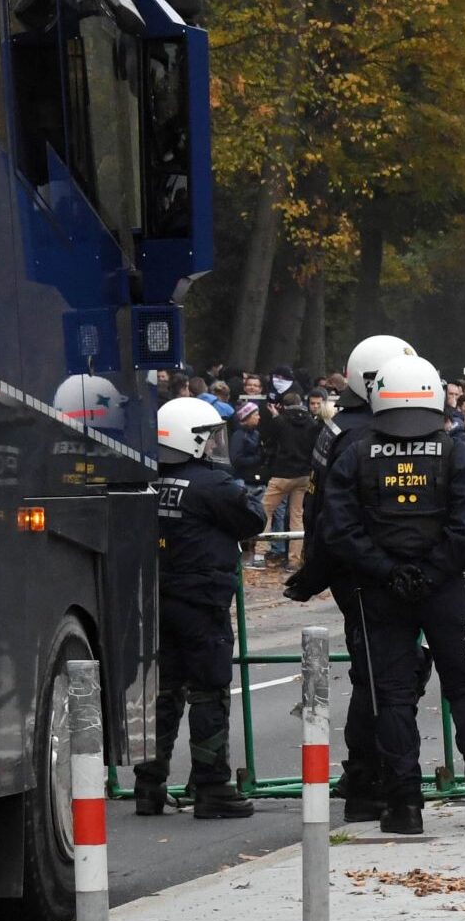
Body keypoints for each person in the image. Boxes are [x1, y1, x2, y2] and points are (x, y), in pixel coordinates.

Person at [322, 352, 465, 835]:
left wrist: (387, 570)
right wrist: (432, 571)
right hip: (445, 588)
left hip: (379, 589)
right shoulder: (456, 452)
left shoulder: (356, 452)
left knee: (392, 695)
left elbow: (338, 527)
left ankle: (403, 804)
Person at [285, 333, 418, 821]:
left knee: (380, 674)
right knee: (380, 679)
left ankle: (369, 772)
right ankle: (368, 777)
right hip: (371, 569)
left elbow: (322, 513)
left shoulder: (339, 427)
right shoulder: (368, 435)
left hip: (349, 568)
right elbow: (342, 515)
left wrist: (313, 572)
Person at [132, 397, 267, 819]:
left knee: (164, 692)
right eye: (207, 439)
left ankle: (148, 784)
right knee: (209, 691)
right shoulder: (211, 485)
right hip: (201, 601)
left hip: (155, 601)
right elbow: (254, 518)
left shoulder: (146, 482)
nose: (214, 447)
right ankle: (211, 786)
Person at [252, 384, 321, 570]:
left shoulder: (280, 421)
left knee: (265, 511)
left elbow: (269, 441)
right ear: (301, 404)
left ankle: (260, 553)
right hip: (304, 475)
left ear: (283, 406)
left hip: (282, 474)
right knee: (297, 516)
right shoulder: (312, 423)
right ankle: (294, 559)